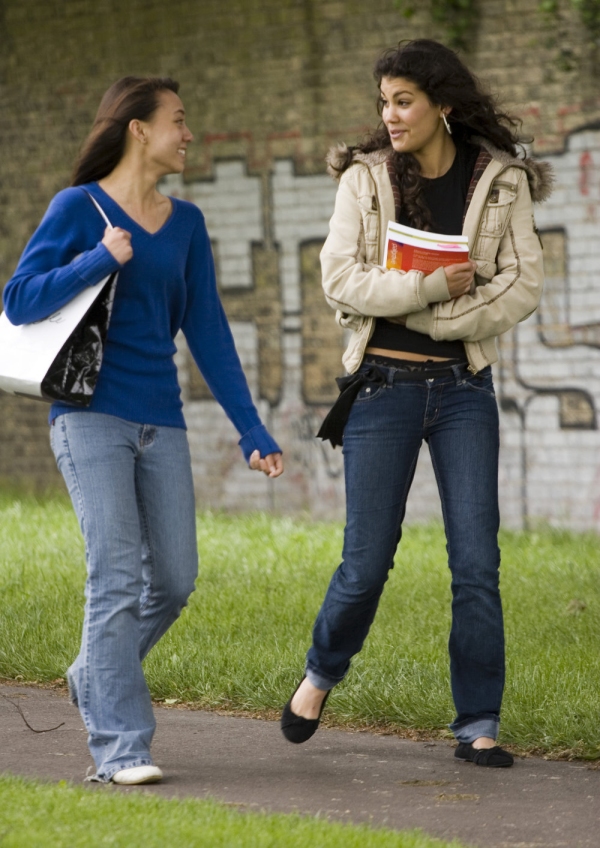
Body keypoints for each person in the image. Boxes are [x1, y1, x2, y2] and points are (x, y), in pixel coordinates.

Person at [4, 76, 283, 785]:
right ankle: (121, 747)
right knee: (117, 574)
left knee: (178, 578)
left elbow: (209, 331)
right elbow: (19, 297)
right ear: (138, 128)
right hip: (90, 418)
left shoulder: (185, 223)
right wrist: (101, 256)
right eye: (179, 121)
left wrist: (251, 429)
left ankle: (92, 672)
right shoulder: (80, 207)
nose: (189, 134)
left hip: (162, 419)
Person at [280, 39, 552, 767]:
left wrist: (437, 324)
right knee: (366, 562)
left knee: (476, 562)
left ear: (443, 106)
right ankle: (320, 674)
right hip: (382, 388)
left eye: (403, 101)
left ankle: (479, 722)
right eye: (383, 103)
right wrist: (433, 290)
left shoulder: (500, 181)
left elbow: (521, 284)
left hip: (465, 391)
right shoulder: (363, 180)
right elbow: (342, 279)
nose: (390, 115)